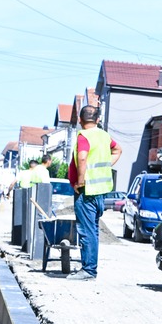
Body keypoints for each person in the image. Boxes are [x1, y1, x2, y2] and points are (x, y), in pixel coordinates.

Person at [66, 104, 117, 281]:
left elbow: (82, 157)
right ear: (98, 120)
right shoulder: (104, 136)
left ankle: (88, 270)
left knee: (86, 231)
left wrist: (80, 181)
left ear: (80, 120)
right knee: (92, 230)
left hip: (86, 192)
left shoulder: (84, 136)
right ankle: (90, 268)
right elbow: (118, 150)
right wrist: (105, 166)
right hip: (100, 192)